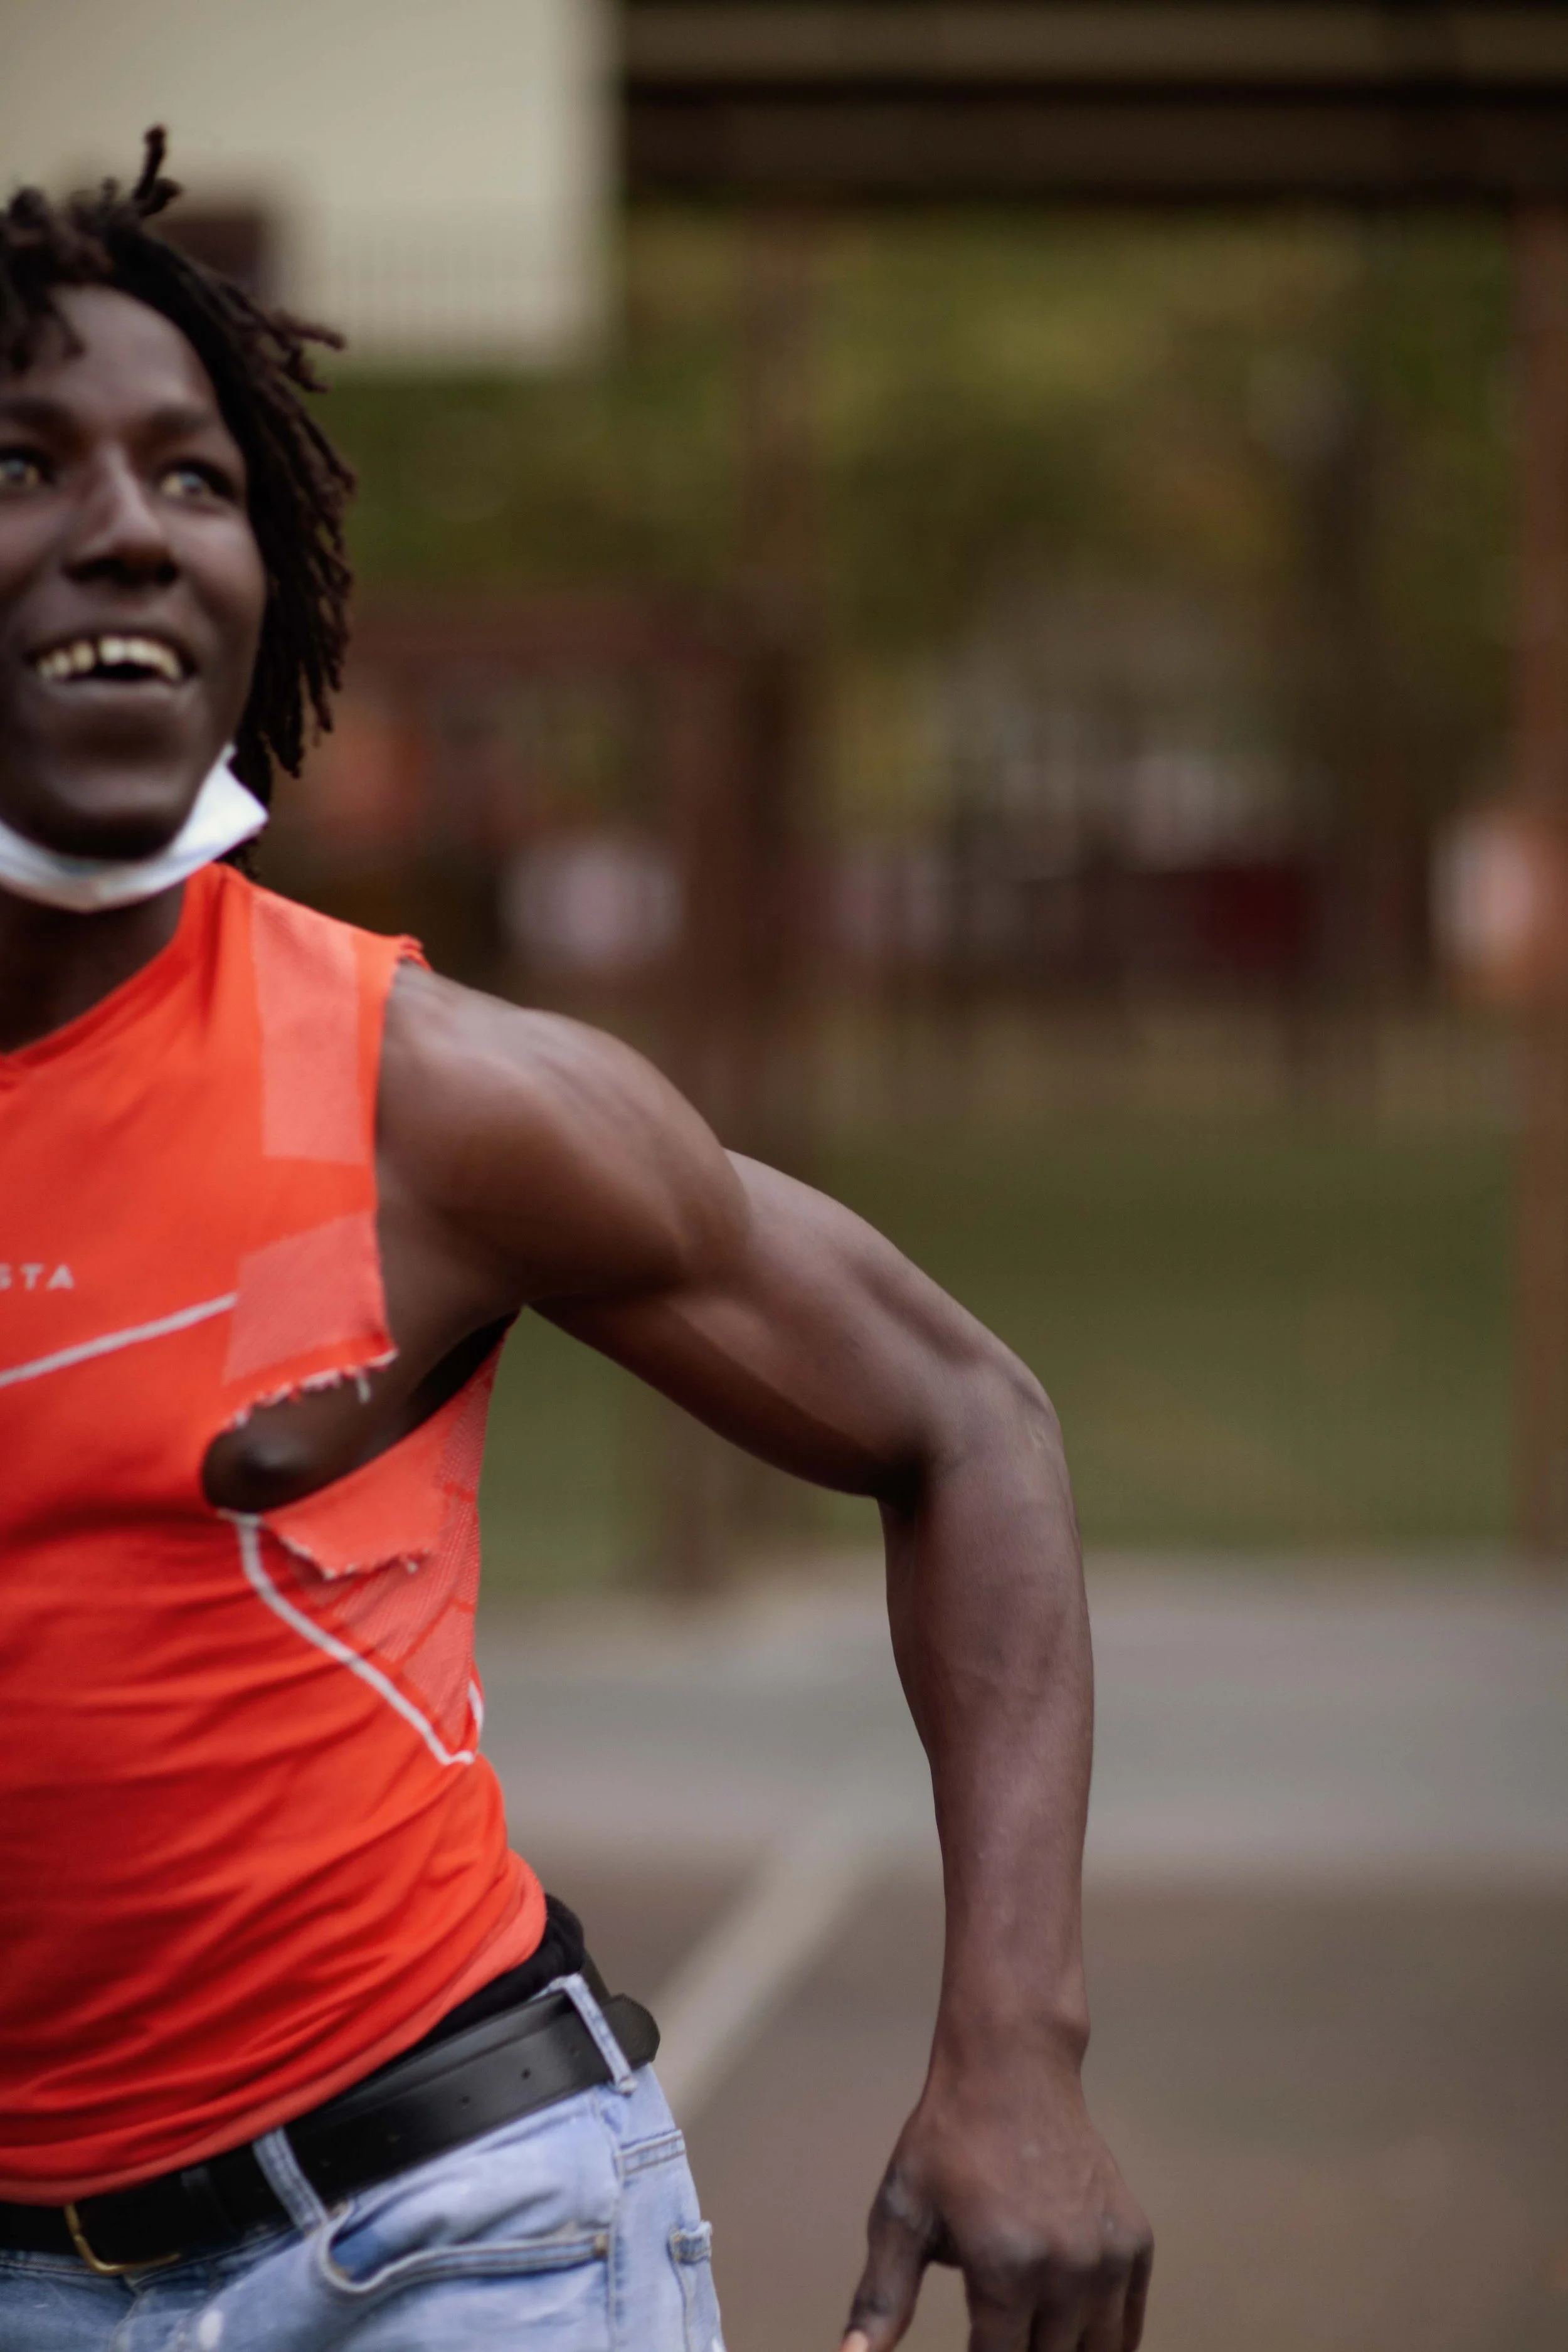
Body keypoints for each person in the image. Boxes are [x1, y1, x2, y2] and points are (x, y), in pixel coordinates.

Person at [0, 135, 1152, 2352]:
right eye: (26, 460)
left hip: (443, 2241)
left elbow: (963, 1415)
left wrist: (1018, 2050)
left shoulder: (422, 1095)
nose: (127, 522)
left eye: (195, 475)